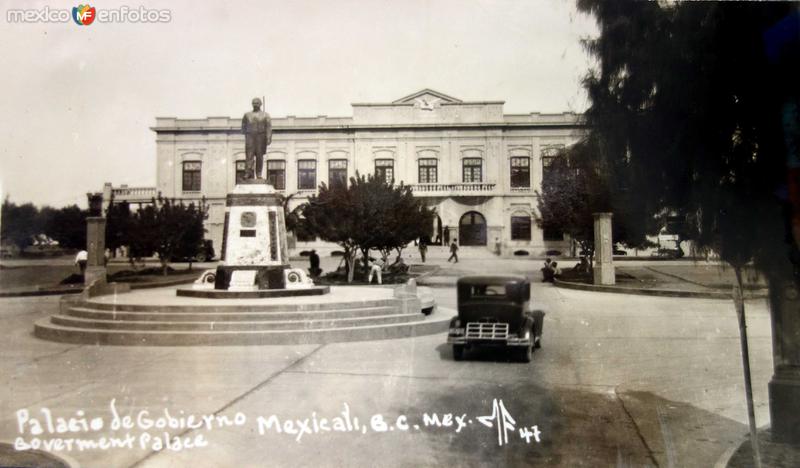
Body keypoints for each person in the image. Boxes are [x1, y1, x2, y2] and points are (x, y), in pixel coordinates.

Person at [241, 97, 272, 180]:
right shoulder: (247, 115)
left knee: (259, 156)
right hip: (250, 136)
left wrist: (268, 138)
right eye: (254, 103)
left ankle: (258, 173)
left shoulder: (265, 115)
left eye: (257, 103)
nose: (255, 104)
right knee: (249, 155)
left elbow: (268, 127)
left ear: (260, 104)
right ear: (252, 104)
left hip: (261, 137)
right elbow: (243, 126)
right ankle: (248, 173)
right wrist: (247, 134)